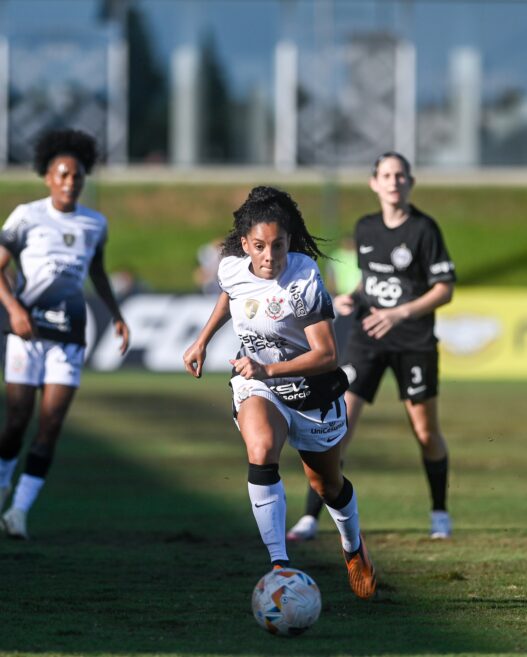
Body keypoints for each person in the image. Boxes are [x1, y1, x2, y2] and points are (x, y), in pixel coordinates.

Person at [183, 186, 376, 600]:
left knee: (326, 484)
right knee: (262, 447)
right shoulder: (233, 266)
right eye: (259, 246)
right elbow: (229, 294)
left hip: (312, 388)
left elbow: (327, 353)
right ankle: (279, 565)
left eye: (278, 245)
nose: (269, 256)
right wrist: (202, 340)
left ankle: (352, 546)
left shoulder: (303, 276)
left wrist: (268, 366)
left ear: (290, 240)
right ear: (244, 243)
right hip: (257, 380)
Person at [287, 152, 456, 543]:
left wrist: (399, 314)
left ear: (410, 182)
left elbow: (444, 289)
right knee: (338, 426)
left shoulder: (424, 230)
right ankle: (311, 518)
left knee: (425, 431)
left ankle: (439, 513)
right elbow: (370, 283)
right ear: (374, 183)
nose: (394, 181)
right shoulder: (365, 228)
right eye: (386, 175)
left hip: (414, 342)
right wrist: (351, 298)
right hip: (367, 339)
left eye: (400, 175)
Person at [0, 128, 130, 539]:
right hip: (26, 332)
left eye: (77, 176)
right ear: (47, 177)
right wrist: (15, 309)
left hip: (70, 334)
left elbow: (97, 271)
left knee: (51, 424)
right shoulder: (26, 215)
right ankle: (3, 479)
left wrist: (116, 314)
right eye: (62, 174)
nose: (70, 182)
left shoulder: (95, 224)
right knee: (18, 420)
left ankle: (18, 511)